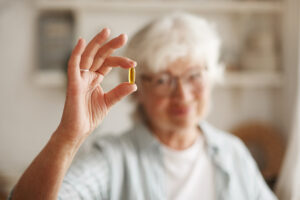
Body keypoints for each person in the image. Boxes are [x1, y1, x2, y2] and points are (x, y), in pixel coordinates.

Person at [9, 13, 277, 200]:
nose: (182, 94)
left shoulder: (233, 153)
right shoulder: (112, 158)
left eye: (194, 75)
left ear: (211, 77)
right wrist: (68, 136)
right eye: (163, 80)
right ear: (138, 91)